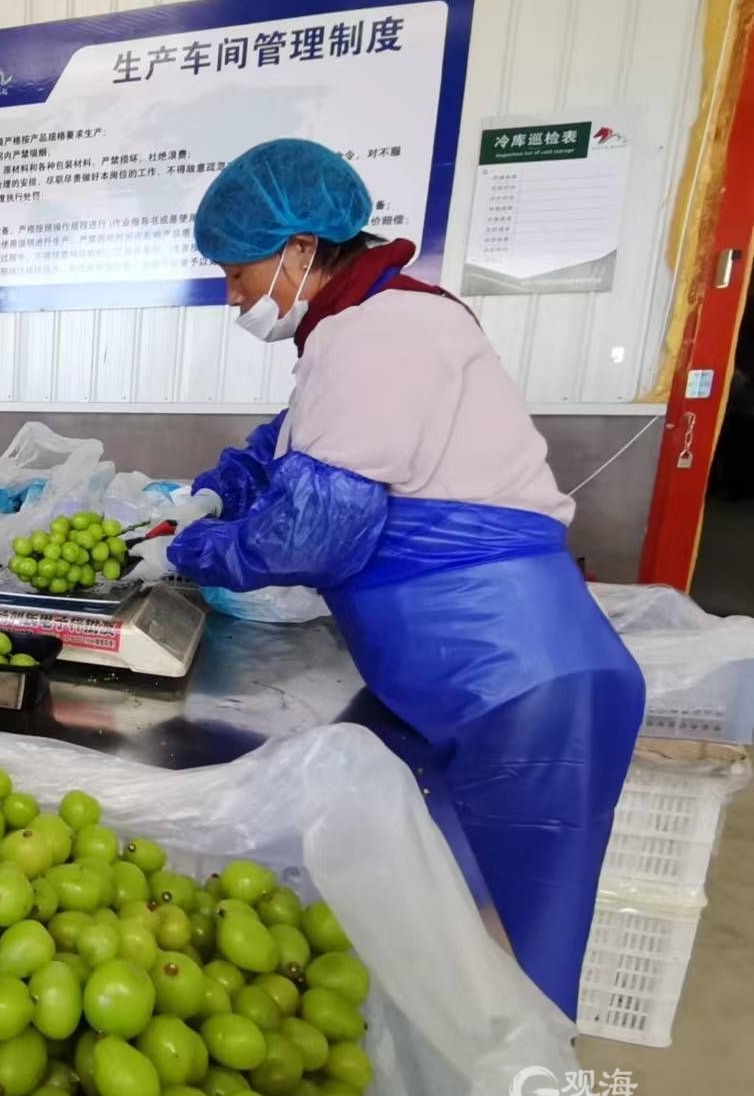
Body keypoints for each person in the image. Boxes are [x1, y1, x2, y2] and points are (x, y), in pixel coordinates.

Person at [136, 138, 645, 1017]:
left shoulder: (382, 335)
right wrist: (213, 492)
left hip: (521, 687)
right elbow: (289, 440)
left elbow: (313, 536)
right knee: (410, 924)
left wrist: (187, 553)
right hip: (450, 684)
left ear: (299, 250)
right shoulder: (364, 323)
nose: (232, 295)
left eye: (236, 271)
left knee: (523, 959)